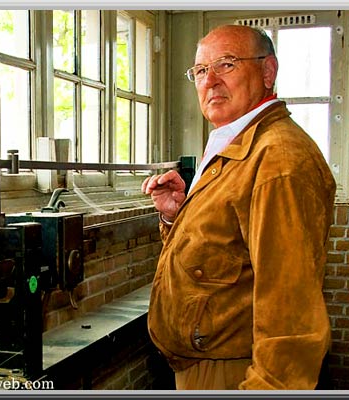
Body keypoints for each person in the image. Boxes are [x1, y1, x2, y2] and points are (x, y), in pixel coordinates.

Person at [141, 24, 336, 390]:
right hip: (206, 363)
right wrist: (176, 214)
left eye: (226, 64)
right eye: (200, 70)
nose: (210, 81)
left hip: (238, 374)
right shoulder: (237, 143)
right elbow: (222, 256)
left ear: (268, 72)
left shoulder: (277, 159)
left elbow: (291, 320)